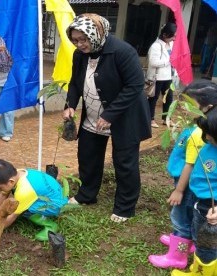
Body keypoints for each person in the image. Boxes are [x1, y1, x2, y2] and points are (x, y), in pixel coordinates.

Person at [62, 13, 151, 222]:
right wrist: (70, 105)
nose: (79, 44)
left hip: (124, 117)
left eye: (83, 39)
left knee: (124, 162)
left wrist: (110, 114)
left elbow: (135, 85)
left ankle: (124, 208)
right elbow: (75, 82)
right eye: (75, 40)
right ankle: (86, 195)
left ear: (96, 33)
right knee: (88, 156)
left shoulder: (122, 52)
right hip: (93, 115)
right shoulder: (79, 55)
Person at [148, 81, 217, 269]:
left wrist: (179, 190)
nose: (182, 109)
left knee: (181, 219)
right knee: (186, 218)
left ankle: (177, 255)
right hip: (186, 181)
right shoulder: (197, 127)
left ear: (207, 108)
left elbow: (190, 163)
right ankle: (183, 242)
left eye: (189, 105)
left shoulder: (199, 133)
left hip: (186, 184)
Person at [171, 106, 217, 275]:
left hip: (211, 208)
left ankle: (202, 272)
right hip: (201, 201)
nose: (206, 137)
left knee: (206, 242)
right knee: (199, 236)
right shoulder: (210, 145)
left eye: (210, 134)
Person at [0, 159, 68, 241]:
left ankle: (50, 226)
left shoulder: (24, 191)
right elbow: (3, 194)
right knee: (23, 203)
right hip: (54, 195)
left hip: (57, 204)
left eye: (0, 188)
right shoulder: (18, 173)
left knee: (27, 210)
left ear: (11, 182)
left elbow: (13, 216)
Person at [146, 22, 177, 128]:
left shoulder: (171, 44)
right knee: (153, 98)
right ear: (164, 35)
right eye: (172, 36)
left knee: (169, 98)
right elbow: (153, 62)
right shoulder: (156, 46)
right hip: (157, 77)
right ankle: (150, 119)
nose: (174, 38)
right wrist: (169, 60)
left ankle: (166, 119)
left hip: (168, 76)